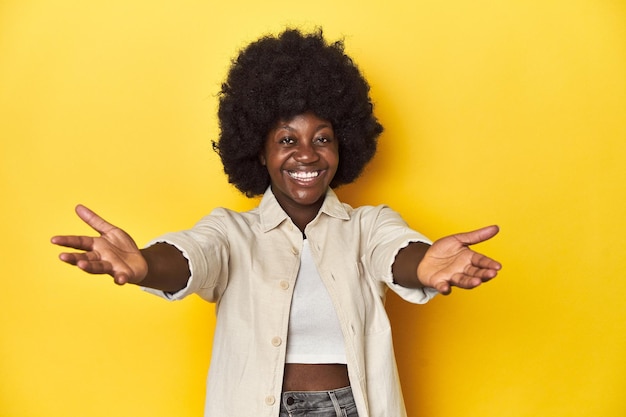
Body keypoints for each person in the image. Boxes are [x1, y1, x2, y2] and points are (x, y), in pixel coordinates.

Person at [51, 29, 502, 417]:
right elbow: (195, 255)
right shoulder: (231, 232)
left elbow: (396, 251)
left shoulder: (367, 225)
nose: (306, 154)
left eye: (322, 139)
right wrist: (147, 263)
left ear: (345, 144)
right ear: (259, 150)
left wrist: (424, 265)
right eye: (287, 139)